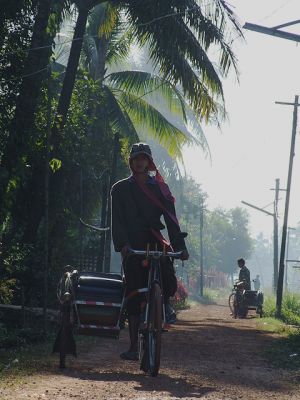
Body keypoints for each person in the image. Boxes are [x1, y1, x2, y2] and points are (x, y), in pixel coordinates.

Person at [111, 142, 189, 361]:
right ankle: (134, 346)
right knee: (134, 293)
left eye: (144, 158)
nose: (140, 162)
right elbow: (117, 221)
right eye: (136, 158)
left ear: (149, 162)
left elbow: (172, 220)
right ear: (131, 161)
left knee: (167, 275)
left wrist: (180, 247)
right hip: (132, 244)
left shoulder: (161, 188)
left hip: (155, 241)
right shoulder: (119, 189)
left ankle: (165, 306)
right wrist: (123, 245)